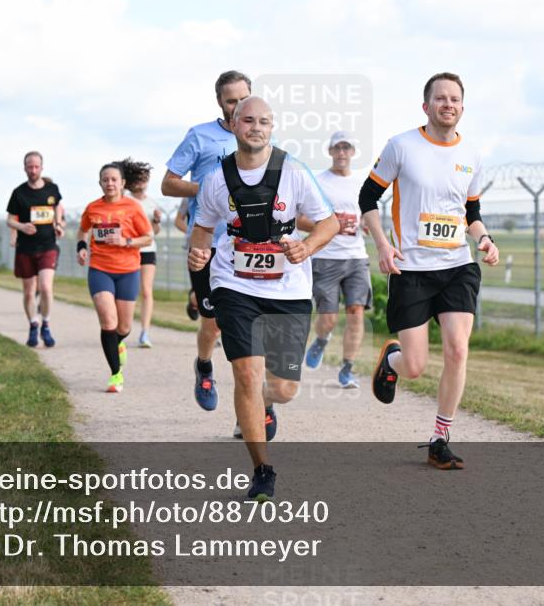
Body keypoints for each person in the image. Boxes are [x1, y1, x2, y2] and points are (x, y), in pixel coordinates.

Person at [189, 96, 338, 500]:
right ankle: (262, 470)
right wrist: (200, 252)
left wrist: (306, 248)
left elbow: (329, 222)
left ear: (272, 128)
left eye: (264, 122)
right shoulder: (217, 179)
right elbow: (203, 228)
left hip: (288, 289)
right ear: (234, 125)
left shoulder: (294, 172)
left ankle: (263, 405)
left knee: (283, 389)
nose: (255, 127)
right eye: (248, 120)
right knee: (247, 375)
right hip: (235, 284)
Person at [359, 72, 500, 470]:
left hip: (457, 265)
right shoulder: (401, 146)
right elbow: (367, 197)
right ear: (426, 106)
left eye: (455, 99)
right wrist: (383, 245)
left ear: (462, 107)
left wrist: (484, 238)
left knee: (458, 348)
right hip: (411, 270)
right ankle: (392, 361)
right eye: (441, 98)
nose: (448, 104)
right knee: (416, 367)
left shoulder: (471, 155)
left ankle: (440, 437)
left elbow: (471, 212)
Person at [162, 70, 252, 412]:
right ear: (220, 102)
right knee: (212, 325)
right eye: (231, 100)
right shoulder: (199, 136)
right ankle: (204, 366)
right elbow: (168, 184)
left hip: (247, 246)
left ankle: (251, 409)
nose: (238, 106)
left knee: (247, 328)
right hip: (206, 243)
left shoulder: (260, 137)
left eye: (243, 98)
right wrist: (208, 190)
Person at [300, 131, 372, 389]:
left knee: (356, 312)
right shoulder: (318, 182)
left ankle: (347, 369)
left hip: (356, 257)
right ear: (330, 151)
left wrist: (363, 223)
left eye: (347, 148)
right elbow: (299, 219)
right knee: (328, 318)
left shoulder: (362, 184)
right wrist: (332, 225)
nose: (342, 153)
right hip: (326, 257)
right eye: (337, 148)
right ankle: (321, 339)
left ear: (353, 152)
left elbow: (367, 216)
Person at [76, 159, 154, 392]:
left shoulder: (132, 208)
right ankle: (115, 374)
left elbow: (148, 237)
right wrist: (81, 247)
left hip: (128, 270)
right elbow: (83, 230)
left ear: (122, 183)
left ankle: (118, 343)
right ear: (100, 183)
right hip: (100, 268)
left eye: (114, 180)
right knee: (108, 322)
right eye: (105, 180)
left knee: (124, 327)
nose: (109, 183)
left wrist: (126, 241)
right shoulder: (93, 208)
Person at [6, 151, 65, 348]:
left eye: (36, 167)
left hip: (48, 245)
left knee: (46, 288)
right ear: (24, 168)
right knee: (29, 292)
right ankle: (33, 324)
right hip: (25, 248)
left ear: (42, 167)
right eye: (29, 167)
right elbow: (10, 219)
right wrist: (22, 227)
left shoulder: (51, 189)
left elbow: (57, 207)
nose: (33, 170)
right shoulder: (19, 193)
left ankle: (45, 324)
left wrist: (58, 224)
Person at [126, 171, 163, 348]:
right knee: (129, 291)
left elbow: (154, 232)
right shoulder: (125, 200)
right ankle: (122, 328)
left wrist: (156, 221)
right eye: (137, 178)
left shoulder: (152, 203)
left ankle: (144, 332)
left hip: (147, 250)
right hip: (127, 249)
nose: (141, 182)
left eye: (144, 179)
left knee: (146, 291)